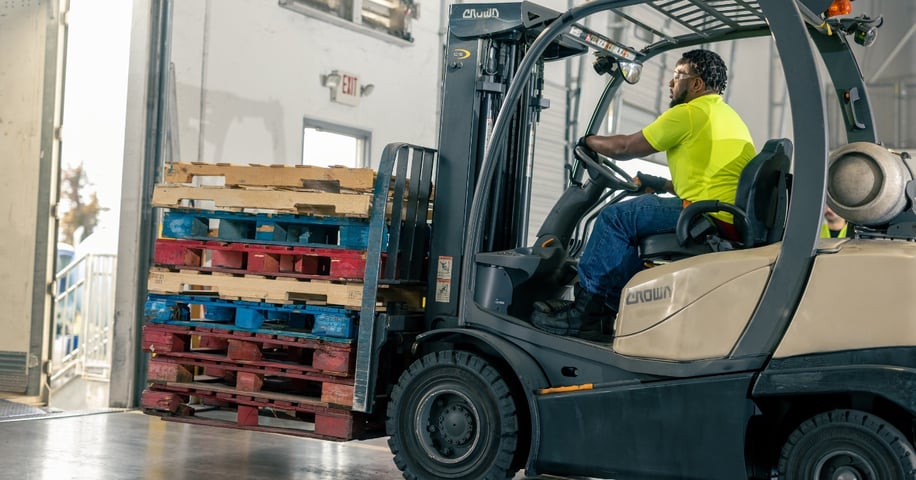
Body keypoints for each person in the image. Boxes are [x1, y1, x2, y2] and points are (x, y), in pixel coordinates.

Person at [532, 49, 756, 340]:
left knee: (616, 218)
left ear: (697, 84)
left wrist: (587, 141)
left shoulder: (689, 113)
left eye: (678, 75)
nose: (670, 83)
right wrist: (658, 183)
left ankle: (585, 313)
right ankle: (611, 306)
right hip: (722, 212)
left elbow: (624, 147)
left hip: (704, 214)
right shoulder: (727, 115)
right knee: (634, 220)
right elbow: (709, 176)